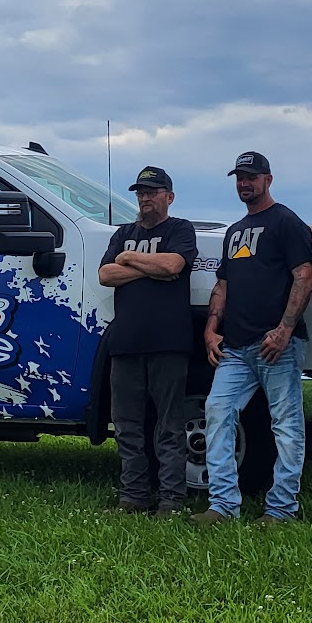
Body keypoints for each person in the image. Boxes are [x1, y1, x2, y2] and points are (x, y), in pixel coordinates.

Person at [197, 151, 312, 527]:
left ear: (268, 179)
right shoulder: (234, 232)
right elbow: (223, 283)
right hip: (235, 347)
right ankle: (222, 505)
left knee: (286, 425)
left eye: (251, 176)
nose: (244, 183)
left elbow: (304, 275)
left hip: (276, 346)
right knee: (217, 412)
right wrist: (211, 327)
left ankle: (280, 509)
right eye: (239, 178)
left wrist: (284, 329)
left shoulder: (286, 222)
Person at [98, 165, 199, 515]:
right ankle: (133, 496)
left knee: (169, 425)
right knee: (127, 426)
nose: (145, 198)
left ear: (169, 197)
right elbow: (105, 274)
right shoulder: (123, 232)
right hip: (125, 342)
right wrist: (147, 268)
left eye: (152, 192)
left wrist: (129, 258)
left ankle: (171, 499)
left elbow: (173, 266)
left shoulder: (180, 229)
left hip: (168, 342)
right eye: (141, 193)